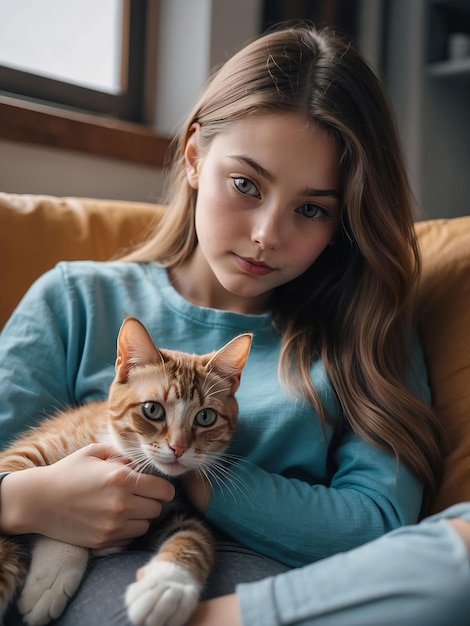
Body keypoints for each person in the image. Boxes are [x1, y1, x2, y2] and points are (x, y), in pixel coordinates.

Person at [1, 22, 469, 626]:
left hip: (299, 595)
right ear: (195, 157)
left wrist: (192, 477)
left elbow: (376, 524)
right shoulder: (77, 298)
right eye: (246, 184)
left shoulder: (365, 328)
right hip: (102, 580)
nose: (267, 235)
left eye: (310, 208)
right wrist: (27, 500)